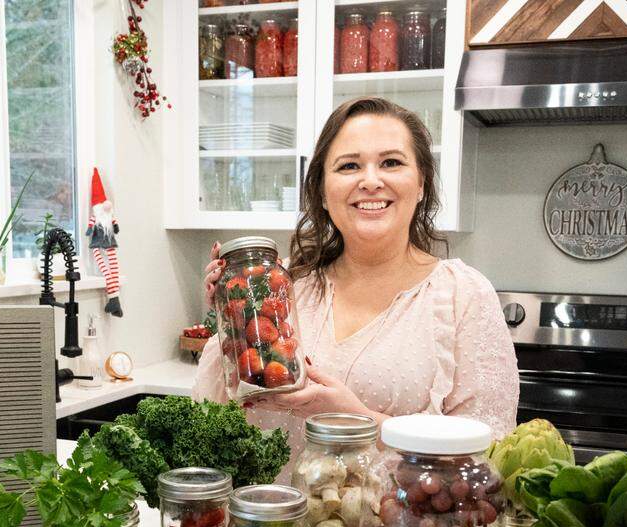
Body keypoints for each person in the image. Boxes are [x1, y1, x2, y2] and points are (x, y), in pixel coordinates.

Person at [192, 97, 518, 478]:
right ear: (323, 192)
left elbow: (485, 459)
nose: (370, 180)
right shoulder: (280, 287)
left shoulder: (464, 295)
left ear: (421, 184)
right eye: (349, 166)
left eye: (391, 163)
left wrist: (353, 417)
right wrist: (229, 325)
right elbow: (212, 419)